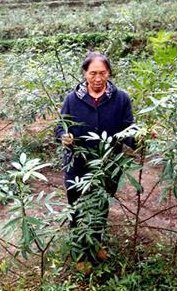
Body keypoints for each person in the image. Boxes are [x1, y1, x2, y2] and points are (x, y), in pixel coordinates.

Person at [55, 52, 134, 261]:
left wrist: (141, 137)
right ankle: (79, 253)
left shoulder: (121, 98)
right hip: (78, 164)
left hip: (108, 164)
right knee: (77, 205)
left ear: (109, 73)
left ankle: (96, 243)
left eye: (102, 73)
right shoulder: (72, 99)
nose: (98, 79)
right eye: (93, 73)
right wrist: (64, 136)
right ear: (84, 73)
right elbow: (60, 126)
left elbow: (128, 129)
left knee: (101, 205)